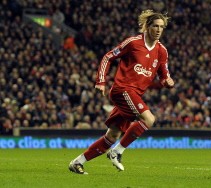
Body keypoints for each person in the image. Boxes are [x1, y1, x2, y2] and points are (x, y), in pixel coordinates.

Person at [68, 10, 174, 174]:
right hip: (123, 89)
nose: (159, 30)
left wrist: (167, 82)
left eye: (161, 27)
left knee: (112, 136)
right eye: (155, 26)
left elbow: (164, 75)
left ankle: (77, 162)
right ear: (147, 26)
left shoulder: (162, 51)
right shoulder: (133, 43)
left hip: (135, 95)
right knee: (149, 119)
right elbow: (107, 57)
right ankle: (117, 152)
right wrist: (101, 81)